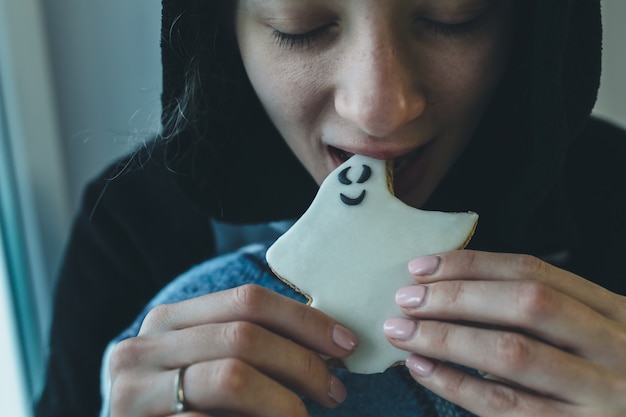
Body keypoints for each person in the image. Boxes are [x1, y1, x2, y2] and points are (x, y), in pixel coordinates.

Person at [36, 0, 626, 416]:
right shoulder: (133, 222)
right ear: (225, 21)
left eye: (452, 16)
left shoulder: (613, 189)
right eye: (301, 25)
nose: (379, 109)